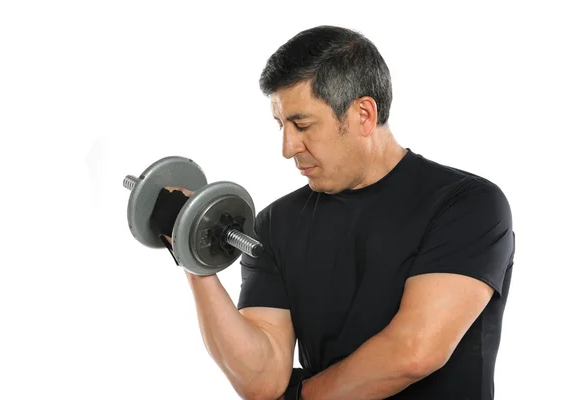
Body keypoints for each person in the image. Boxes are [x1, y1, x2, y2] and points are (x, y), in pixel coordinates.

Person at [151, 25, 515, 399]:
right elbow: (261, 379)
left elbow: (413, 352)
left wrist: (301, 397)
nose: (288, 147)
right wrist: (191, 254)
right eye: (281, 125)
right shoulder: (276, 223)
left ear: (363, 114)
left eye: (302, 124)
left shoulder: (467, 205)